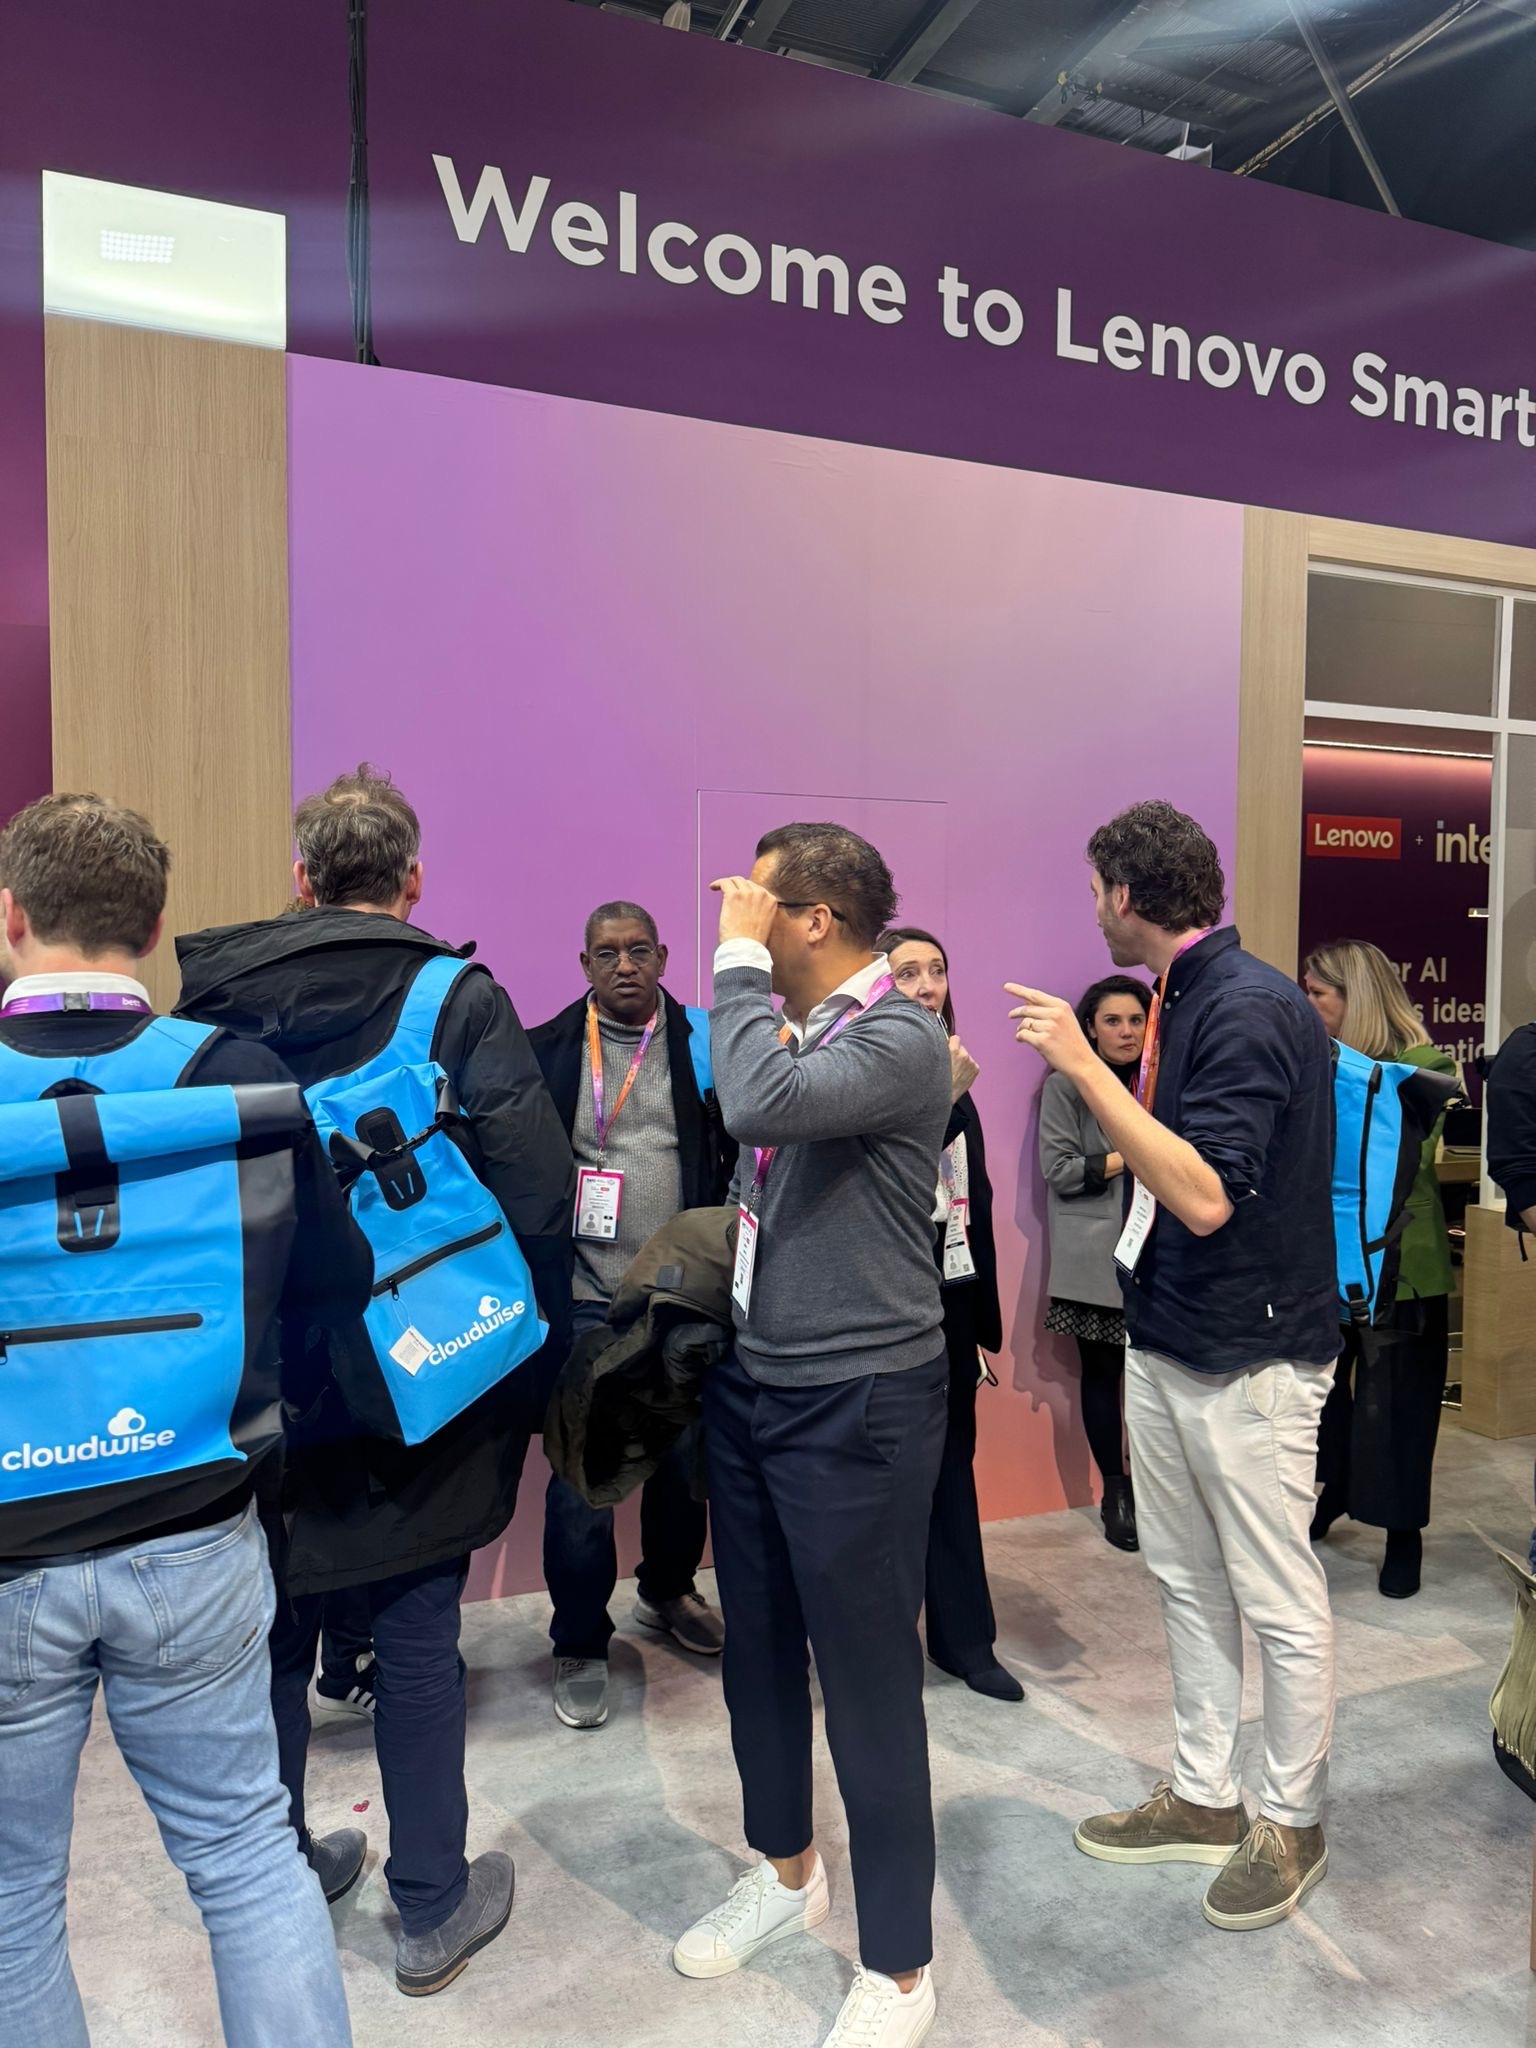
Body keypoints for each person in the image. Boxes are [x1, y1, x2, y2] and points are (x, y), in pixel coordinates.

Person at [176, 765, 575, 1998]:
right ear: (412, 880)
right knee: (414, 1636)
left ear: (301, 879)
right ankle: (433, 1904)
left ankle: (287, 1874)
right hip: (424, 1369)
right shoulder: (456, 995)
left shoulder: (210, 1001)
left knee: (273, 1637)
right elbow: (541, 1186)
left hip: (261, 1379)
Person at [0, 793, 370, 2047]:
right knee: (250, 1855)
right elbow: (334, 1282)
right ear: (157, 928)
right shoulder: (239, 1077)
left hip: (7, 1555)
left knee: (9, 1909)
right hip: (199, 1526)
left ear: (11, 915)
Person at [1008, 799, 1338, 1933]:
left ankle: (1290, 1818)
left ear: (1125, 894)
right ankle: (1206, 1794)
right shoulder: (1183, 995)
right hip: (1170, 1331)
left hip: (1251, 1351)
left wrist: (1080, 1068)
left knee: (1276, 1594)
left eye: (1095, 889)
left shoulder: (1244, 1005)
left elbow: (1202, 1194)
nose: (1092, 909)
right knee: (1186, 1578)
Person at [670, 824, 951, 2048]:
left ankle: (899, 1966)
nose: (736, 910)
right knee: (759, 1652)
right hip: (760, 1382)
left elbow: (752, 1101)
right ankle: (788, 1873)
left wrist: (733, 961)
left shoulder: (898, 1037)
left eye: (758, 899)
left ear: (815, 919)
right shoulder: (814, 1030)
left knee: (870, 1683)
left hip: (860, 1398)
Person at [529, 900, 732, 1732]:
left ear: (663, 957)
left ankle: (667, 1590)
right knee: (584, 1477)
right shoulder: (545, 1050)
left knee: (683, 1463)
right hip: (586, 1298)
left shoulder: (705, 1044)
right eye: (607, 953)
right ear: (585, 964)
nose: (624, 966)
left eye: (639, 950)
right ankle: (579, 1641)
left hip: (680, 1295)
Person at [882, 925, 1021, 1704]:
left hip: (950, 1301)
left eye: (936, 969)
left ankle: (966, 1640)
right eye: (907, 973)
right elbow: (883, 1184)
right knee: (882, 1483)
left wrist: (977, 1316)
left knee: (951, 1469)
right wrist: (941, 1099)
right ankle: (874, 1644)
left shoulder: (950, 1064)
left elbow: (971, 1200)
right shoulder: (863, 1070)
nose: (928, 985)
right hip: (884, 1308)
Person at [1302, 940, 1459, 1600]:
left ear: (1355, 997)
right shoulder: (1314, 1063)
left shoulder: (1424, 1068)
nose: (1308, 1004)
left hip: (1403, 1266)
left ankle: (1403, 1534)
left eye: (1318, 993)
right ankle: (1334, 1489)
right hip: (1324, 1263)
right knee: (1320, 1397)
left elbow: (1400, 1163)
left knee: (1400, 1405)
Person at [1038, 975, 1152, 1552]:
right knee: (1103, 1377)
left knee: (1162, 1382)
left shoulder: (1163, 1082)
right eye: (1113, 1021)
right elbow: (1060, 1171)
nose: (1126, 1032)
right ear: (1090, 1028)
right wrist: (1134, 1150)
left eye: (1136, 1020)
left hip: (1164, 1255)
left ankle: (1161, 1495)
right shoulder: (1068, 1084)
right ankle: (1116, 1493)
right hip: (1097, 1258)